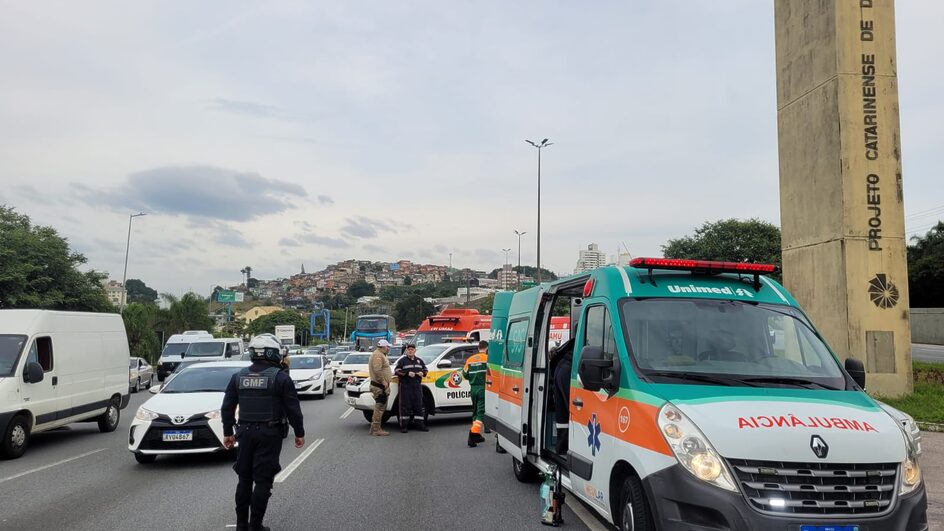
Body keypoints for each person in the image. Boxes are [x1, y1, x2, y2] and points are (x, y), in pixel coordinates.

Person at [221, 335, 305, 531]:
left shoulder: (238, 377)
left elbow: (227, 408)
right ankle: (255, 526)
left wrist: (228, 433)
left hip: (244, 432)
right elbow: (293, 409)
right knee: (263, 480)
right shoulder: (281, 378)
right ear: (273, 353)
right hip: (269, 433)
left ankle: (241, 525)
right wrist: (299, 433)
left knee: (244, 478)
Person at [394, 343, 429, 432]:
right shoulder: (402, 361)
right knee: (405, 406)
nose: (410, 351)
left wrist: (423, 373)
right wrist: (407, 373)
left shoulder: (419, 361)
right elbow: (397, 371)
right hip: (405, 386)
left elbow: (425, 369)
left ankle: (420, 425)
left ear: (415, 351)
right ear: (406, 351)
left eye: (412, 349)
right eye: (409, 349)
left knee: (418, 405)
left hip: (417, 386)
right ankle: (404, 426)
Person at [551, 337, 574, 454]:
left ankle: (561, 447)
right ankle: (564, 447)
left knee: (562, 411)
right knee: (569, 410)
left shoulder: (573, 343)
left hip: (562, 367)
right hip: (567, 369)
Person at [463, 340, 489, 447]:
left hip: (473, 388)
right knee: (481, 412)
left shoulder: (470, 360)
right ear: (487, 348)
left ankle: (476, 436)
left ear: (478, 348)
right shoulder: (487, 359)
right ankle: (472, 434)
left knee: (475, 411)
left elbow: (465, 374)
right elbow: (491, 373)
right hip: (483, 388)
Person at [367, 339, 393, 436]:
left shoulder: (379, 354)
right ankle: (376, 429)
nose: (389, 348)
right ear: (383, 347)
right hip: (379, 386)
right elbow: (377, 370)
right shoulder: (378, 355)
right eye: (387, 347)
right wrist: (383, 381)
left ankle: (374, 428)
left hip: (380, 385)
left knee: (381, 406)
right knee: (380, 406)